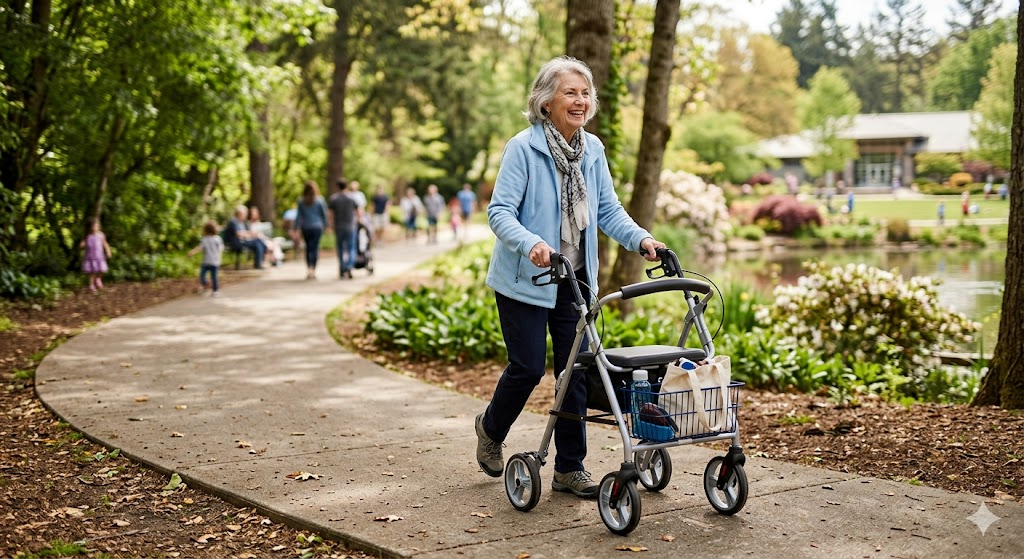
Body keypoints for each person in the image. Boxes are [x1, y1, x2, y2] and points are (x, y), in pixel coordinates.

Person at [474, 56, 666, 499]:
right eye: (570, 93)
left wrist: (641, 240)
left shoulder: (592, 150)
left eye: (585, 93)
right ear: (546, 102)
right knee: (526, 368)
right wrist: (533, 244)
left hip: (574, 278)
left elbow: (607, 211)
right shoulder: (523, 148)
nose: (580, 101)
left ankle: (569, 468)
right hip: (527, 277)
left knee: (574, 371)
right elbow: (499, 212)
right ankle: (490, 427)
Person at [293, 180, 328, 279]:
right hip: (317, 227)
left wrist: (295, 227)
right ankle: (313, 269)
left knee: (308, 248)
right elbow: (323, 215)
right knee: (315, 248)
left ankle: (309, 268)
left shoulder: (301, 201)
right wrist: (326, 226)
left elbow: (299, 216)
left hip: (306, 227)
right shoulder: (320, 200)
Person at [328, 180, 358, 279]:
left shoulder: (334, 199)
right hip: (350, 227)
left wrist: (330, 226)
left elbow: (331, 214)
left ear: (337, 187)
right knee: (351, 248)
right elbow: (358, 211)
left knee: (340, 248)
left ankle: (342, 267)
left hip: (339, 227)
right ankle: (349, 266)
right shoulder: (351, 198)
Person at [188, 220, 224, 297]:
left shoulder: (217, 239)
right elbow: (200, 248)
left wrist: (192, 252)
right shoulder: (205, 239)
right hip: (208, 262)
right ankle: (208, 286)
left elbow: (199, 248)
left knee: (207, 276)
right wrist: (192, 252)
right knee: (210, 277)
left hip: (212, 262)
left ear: (206, 230)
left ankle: (215, 290)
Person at [80, 217, 112, 292]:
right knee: (92, 272)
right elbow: (82, 245)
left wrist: (108, 251)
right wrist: (82, 245)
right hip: (91, 257)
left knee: (102, 269)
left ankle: (98, 279)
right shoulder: (88, 236)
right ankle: (91, 285)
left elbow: (105, 244)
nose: (95, 227)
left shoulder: (101, 235)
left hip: (99, 257)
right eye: (94, 226)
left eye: (97, 226)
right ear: (90, 227)